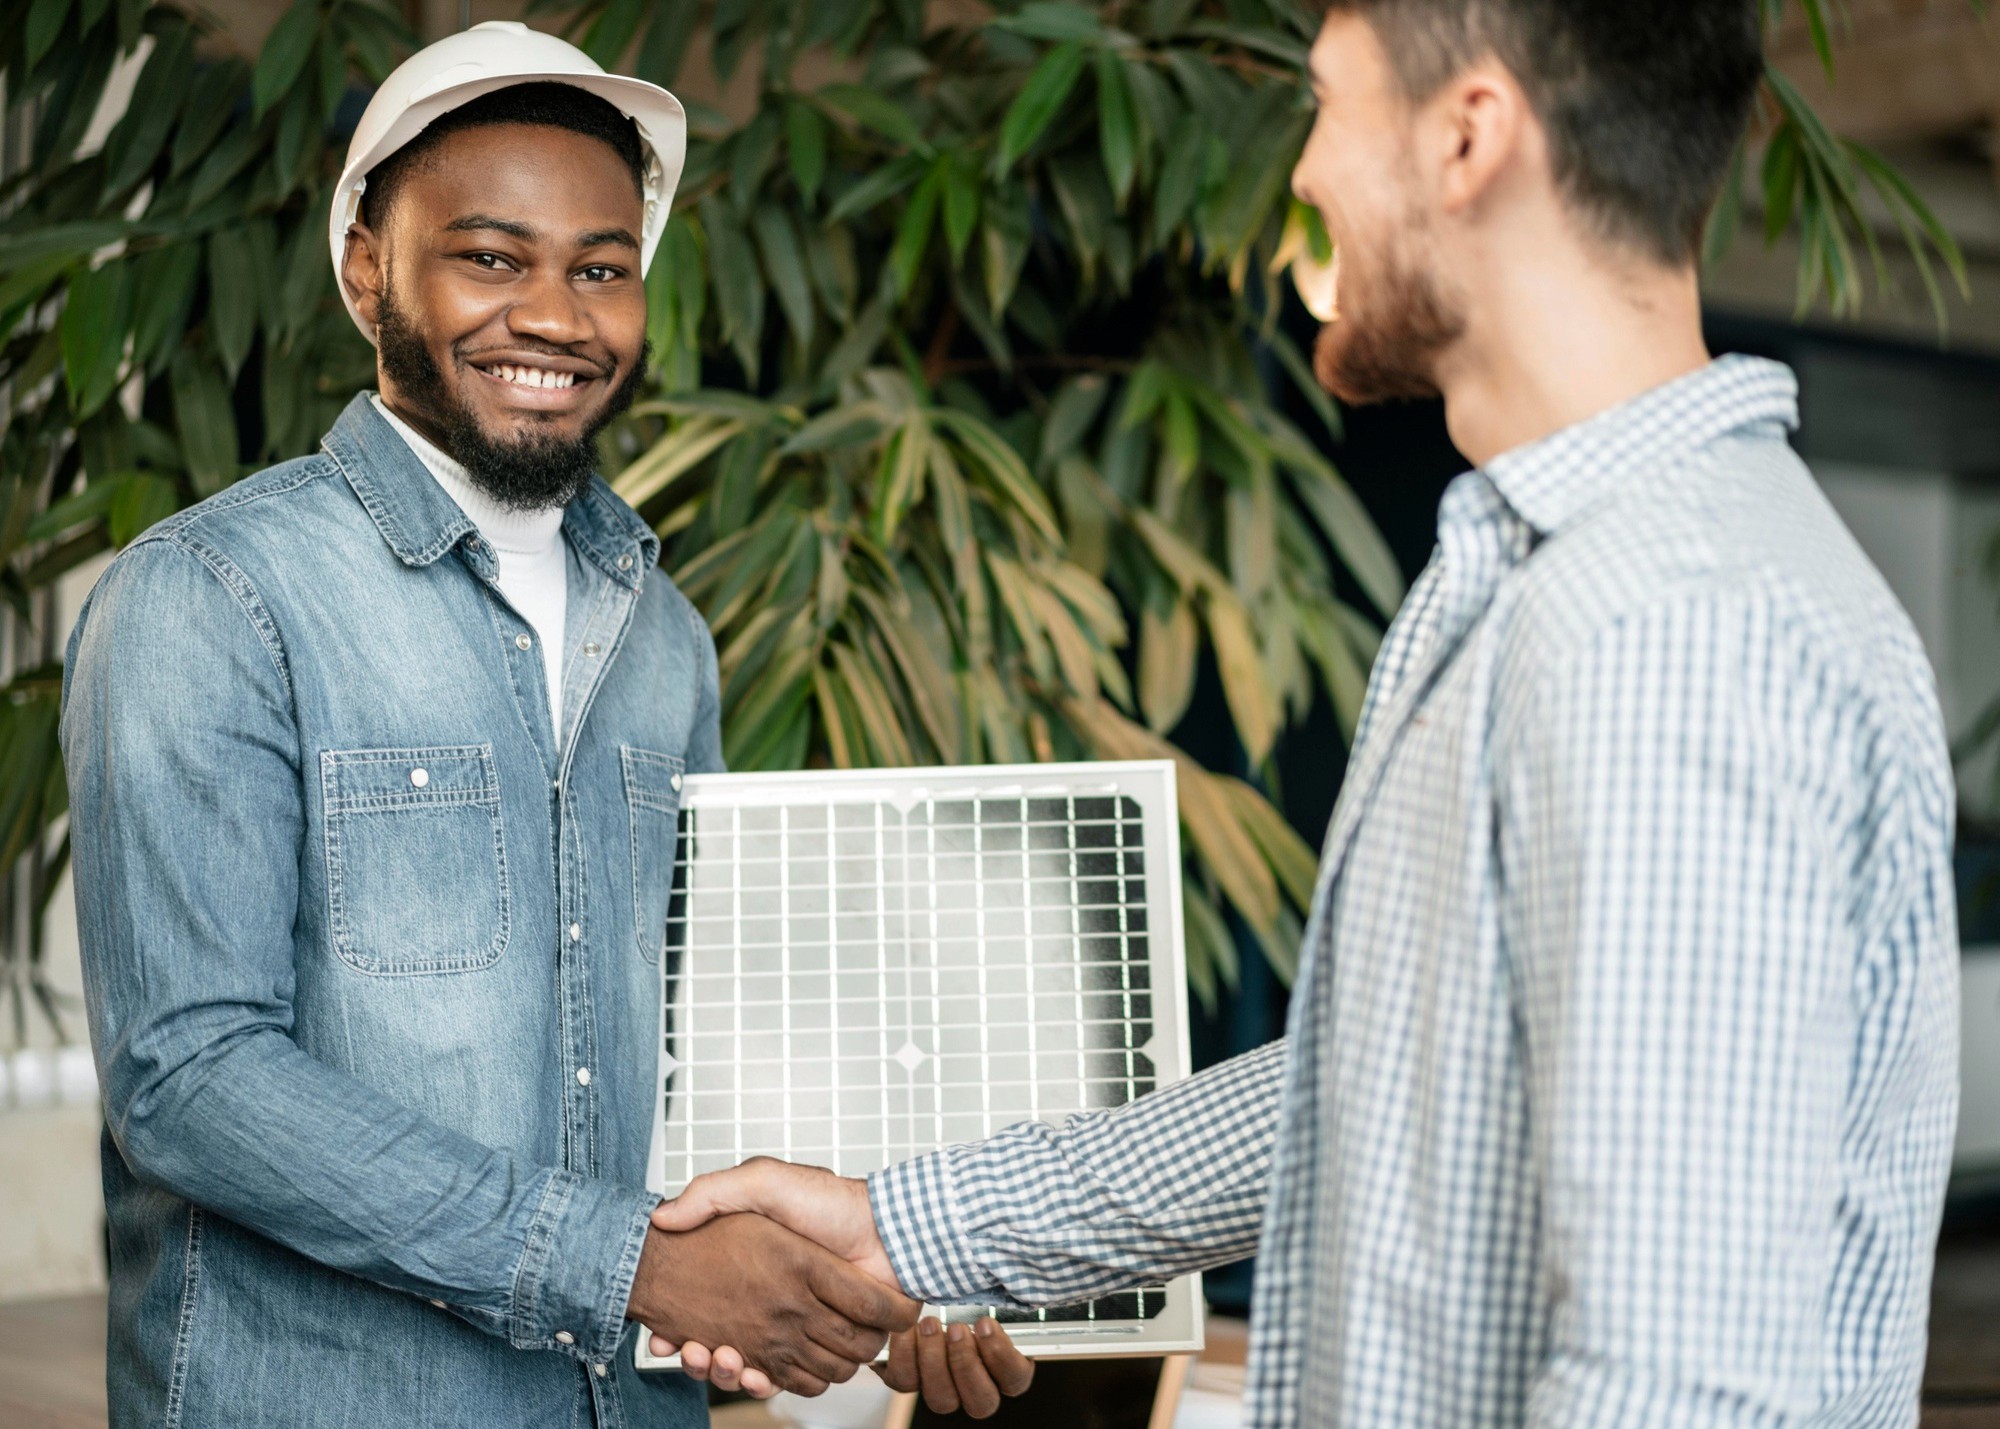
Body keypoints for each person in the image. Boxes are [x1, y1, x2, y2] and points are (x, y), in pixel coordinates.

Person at [651, 1, 1964, 1423]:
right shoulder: (1564, 581)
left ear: (1468, 136)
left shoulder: (1671, 630)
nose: (1302, 171)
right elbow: (1376, 1083)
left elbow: (1682, 1383)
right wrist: (903, 1224)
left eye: (1330, 103)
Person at [61, 24, 916, 1429]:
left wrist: (881, 1289)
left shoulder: (664, 635)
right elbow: (191, 1078)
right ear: (368, 273)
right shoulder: (212, 595)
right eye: (491, 258)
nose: (557, 318)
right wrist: (630, 1263)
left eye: (601, 268)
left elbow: (697, 1051)